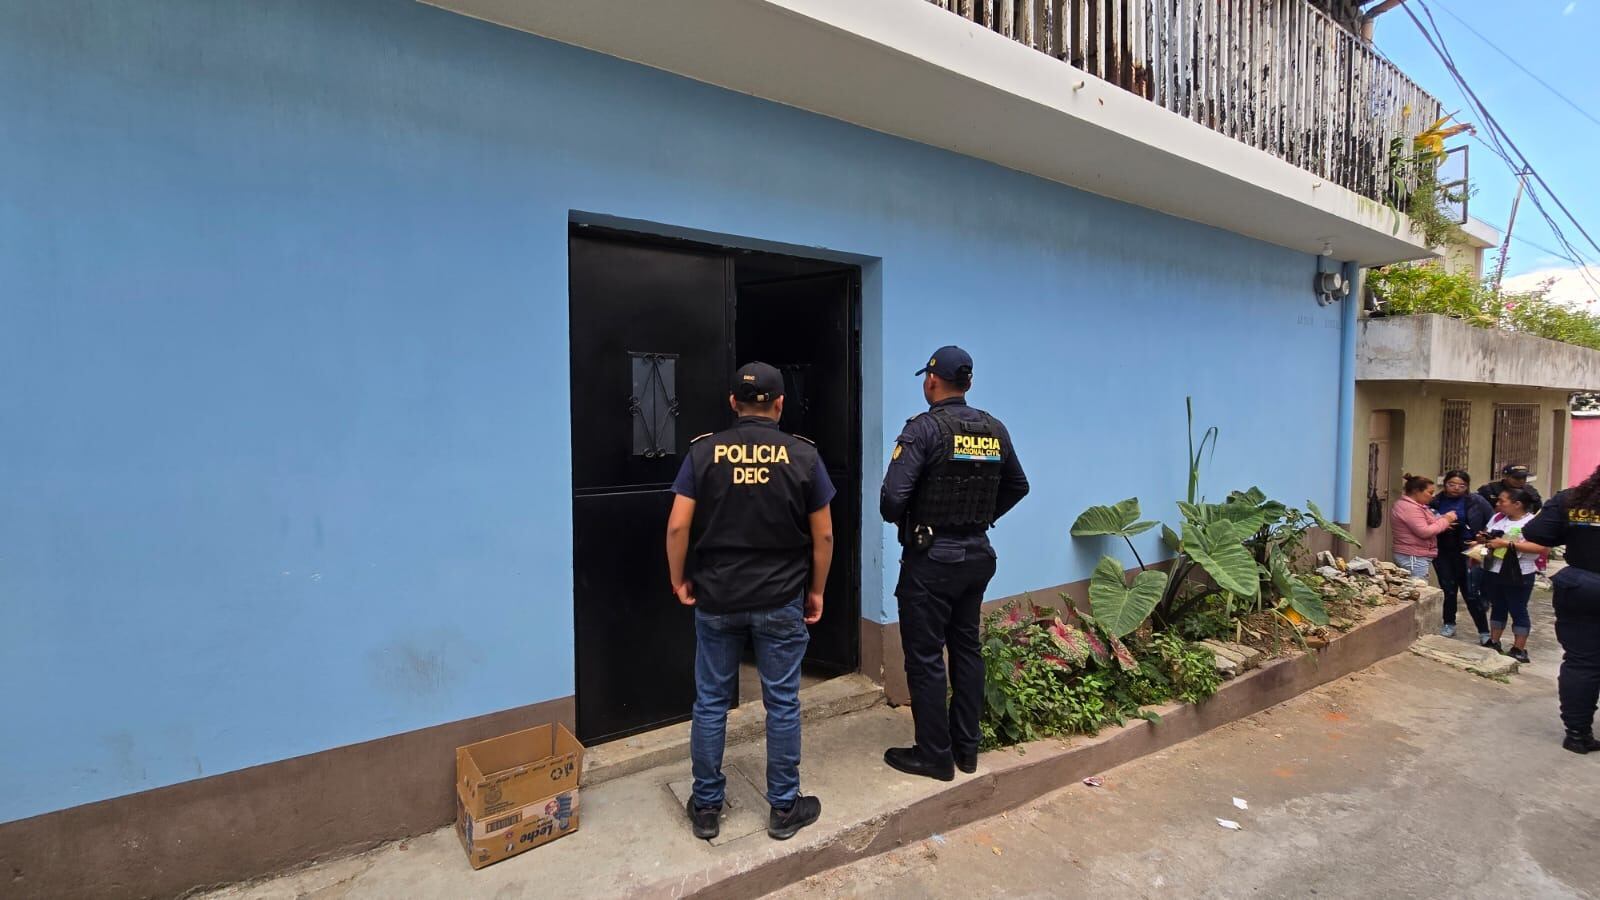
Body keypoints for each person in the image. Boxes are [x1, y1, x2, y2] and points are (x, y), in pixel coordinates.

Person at [665, 362, 834, 841]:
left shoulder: (703, 453)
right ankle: (784, 807)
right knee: (781, 702)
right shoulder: (803, 456)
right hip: (781, 598)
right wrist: (817, 590)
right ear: (779, 404)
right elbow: (824, 535)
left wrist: (679, 579)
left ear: (732, 403)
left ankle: (706, 807)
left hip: (717, 597)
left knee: (710, 702)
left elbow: (677, 526)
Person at [879, 346, 1029, 781]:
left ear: (931, 380)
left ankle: (934, 756)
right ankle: (966, 749)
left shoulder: (923, 430)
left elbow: (892, 502)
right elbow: (1018, 485)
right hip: (978, 554)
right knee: (966, 649)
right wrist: (979, 517)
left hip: (932, 560)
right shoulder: (994, 429)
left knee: (925, 657)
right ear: (969, 383)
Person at [1520, 465, 1600, 754]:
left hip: (1581, 586)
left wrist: (1577, 530)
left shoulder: (1574, 499)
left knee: (1581, 663)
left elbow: (1536, 532)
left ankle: (1577, 734)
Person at [1429, 469, 1494, 643]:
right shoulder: (1435, 501)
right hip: (1443, 549)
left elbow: (1493, 522)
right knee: (1448, 589)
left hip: (1472, 549)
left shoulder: (1477, 501)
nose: (1456, 488)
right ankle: (1449, 623)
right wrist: (1441, 523)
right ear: (1444, 484)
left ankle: (1484, 632)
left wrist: (1482, 538)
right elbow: (1426, 521)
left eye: (1461, 485)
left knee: (1471, 591)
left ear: (1467, 486)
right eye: (1452, 484)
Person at [1480, 487, 1540, 664]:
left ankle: (1518, 648)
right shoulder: (1498, 518)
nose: (1498, 504)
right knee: (1498, 606)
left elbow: (1540, 548)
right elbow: (1488, 534)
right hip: (1495, 568)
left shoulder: (1532, 523)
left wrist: (1506, 544)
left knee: (1517, 608)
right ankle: (1494, 641)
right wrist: (1484, 539)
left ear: (1517, 504)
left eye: (1502, 501)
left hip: (1519, 571)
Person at [1390, 473, 1457, 581]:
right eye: (1430, 492)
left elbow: (1426, 522)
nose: (1433, 496)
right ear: (1417, 491)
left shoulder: (1415, 506)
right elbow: (1424, 531)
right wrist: (1446, 520)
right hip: (1413, 555)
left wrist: (1442, 520)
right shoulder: (1409, 508)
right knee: (1418, 587)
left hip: (1415, 554)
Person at [1478, 464, 1543, 512]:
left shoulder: (1530, 490)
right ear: (1505, 476)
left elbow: (1538, 510)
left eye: (1524, 477)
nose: (1521, 481)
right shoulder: (1489, 490)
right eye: (1517, 478)